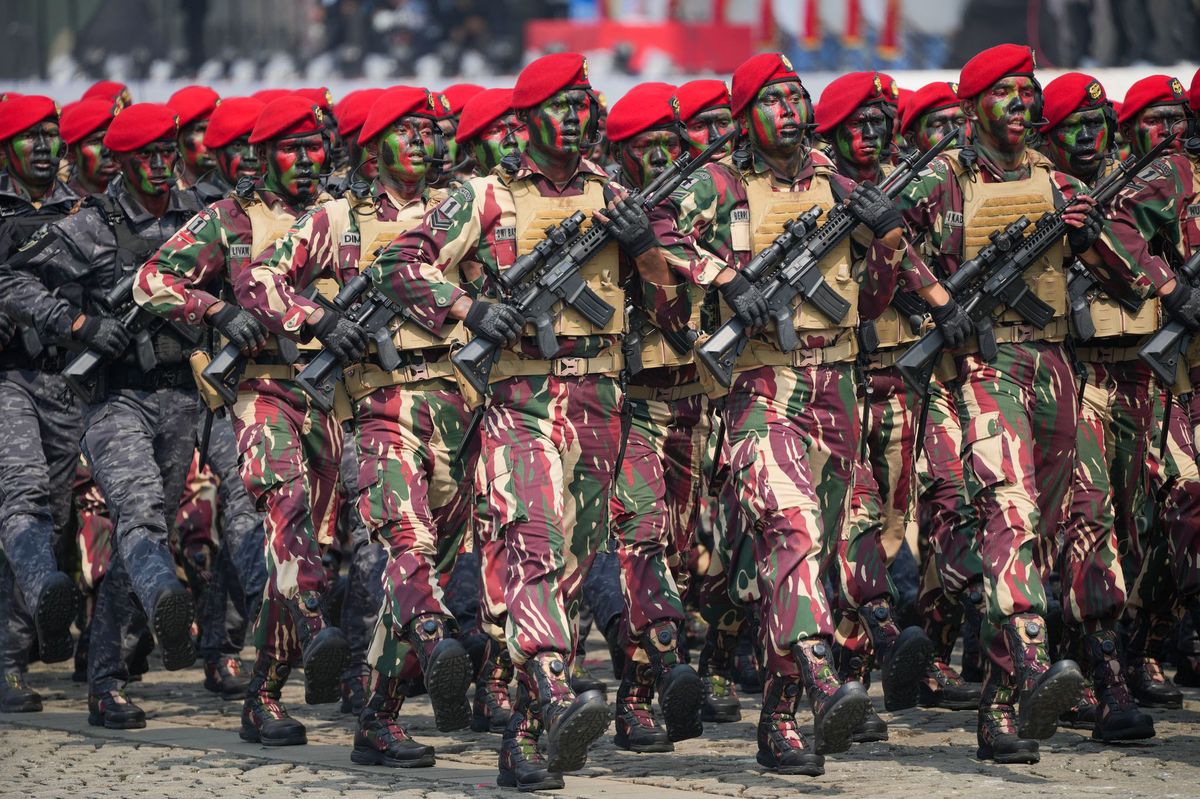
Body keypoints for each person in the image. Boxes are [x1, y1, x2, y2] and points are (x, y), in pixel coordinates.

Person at [656, 53, 954, 775]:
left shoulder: (835, 183)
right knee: (791, 531)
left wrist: (888, 240)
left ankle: (779, 719)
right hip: (760, 386)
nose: (790, 110)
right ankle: (821, 678)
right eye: (773, 99)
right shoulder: (718, 184)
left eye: (797, 97)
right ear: (744, 116)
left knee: (819, 556)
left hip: (837, 385)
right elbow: (654, 227)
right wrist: (724, 277)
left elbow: (874, 300)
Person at [370, 52, 661, 789]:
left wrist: (647, 249)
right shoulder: (484, 196)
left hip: (600, 400)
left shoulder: (615, 194)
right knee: (532, 544)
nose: (576, 117)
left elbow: (668, 307)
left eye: (583, 104)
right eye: (560, 106)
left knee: (572, 569)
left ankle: (524, 737)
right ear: (527, 119)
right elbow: (400, 265)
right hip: (519, 401)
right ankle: (556, 690)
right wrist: (470, 309)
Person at [244, 86, 480, 769]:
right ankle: (436, 644)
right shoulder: (339, 218)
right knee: (406, 546)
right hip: (380, 408)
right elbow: (260, 280)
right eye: (407, 131)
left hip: (455, 405)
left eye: (429, 131)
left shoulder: (459, 207)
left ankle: (378, 717)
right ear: (373, 147)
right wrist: (319, 318)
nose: (423, 142)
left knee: (426, 568)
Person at [893, 44, 1107, 764]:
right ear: (974, 104)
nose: (1021, 103)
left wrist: (1088, 239)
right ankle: (1032, 664)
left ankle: (1001, 705)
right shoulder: (940, 177)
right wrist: (937, 298)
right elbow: (880, 239)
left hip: (1052, 361)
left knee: (1033, 530)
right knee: (1008, 515)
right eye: (1006, 91)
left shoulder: (1057, 180)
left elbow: (1116, 269)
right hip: (982, 364)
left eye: (1028, 90)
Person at [136, 96, 348, 745]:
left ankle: (264, 693)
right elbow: (150, 280)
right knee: (284, 513)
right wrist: (215, 310)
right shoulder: (229, 219)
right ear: (262, 155)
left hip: (328, 396)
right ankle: (315, 626)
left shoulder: (341, 214)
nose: (306, 159)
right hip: (260, 393)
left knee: (306, 545)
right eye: (291, 148)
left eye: (313, 146)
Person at [0, 102, 205, 729]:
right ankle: (28, 648)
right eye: (147, 154)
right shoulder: (91, 223)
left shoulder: (199, 217)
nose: (161, 163)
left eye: (167, 151)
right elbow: (12, 282)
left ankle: (108, 671)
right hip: (94, 394)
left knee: (135, 530)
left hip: (176, 396)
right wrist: (80, 323)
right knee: (44, 504)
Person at [815, 72, 942, 737]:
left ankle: (853, 672)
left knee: (892, 525)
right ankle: (858, 668)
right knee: (851, 526)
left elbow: (926, 266)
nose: (871, 134)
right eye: (857, 125)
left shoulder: (905, 188)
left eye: (879, 122)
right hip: (834, 381)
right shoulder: (817, 190)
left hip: (897, 376)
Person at [1036, 71, 1160, 742]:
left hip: (1135, 372)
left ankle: (1108, 652)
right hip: (1065, 374)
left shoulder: (1129, 192)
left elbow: (1148, 274)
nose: (1089, 136)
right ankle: (1103, 677)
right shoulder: (1031, 190)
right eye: (1073, 127)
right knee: (1087, 522)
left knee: (1136, 520)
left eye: (1098, 124)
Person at [1090, 70, 1200, 717]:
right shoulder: (1174, 173)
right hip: (1168, 373)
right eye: (1158, 119)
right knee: (1175, 507)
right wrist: (1170, 285)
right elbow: (1115, 224)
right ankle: (1143, 638)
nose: (1171, 129)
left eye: (1176, 117)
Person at [604, 83, 708, 754]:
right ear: (621, 153)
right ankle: (658, 679)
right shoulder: (608, 210)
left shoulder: (701, 206)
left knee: (683, 552)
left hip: (692, 399)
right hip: (631, 401)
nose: (667, 157)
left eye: (674, 143)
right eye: (651, 147)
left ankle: (640, 692)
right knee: (641, 538)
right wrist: (641, 246)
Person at [896, 79, 987, 711]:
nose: (953, 135)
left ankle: (937, 647)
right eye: (938, 124)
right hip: (906, 380)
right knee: (940, 505)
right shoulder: (910, 193)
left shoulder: (980, 186)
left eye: (960, 121)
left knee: (965, 508)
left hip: (969, 372)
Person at [0, 95, 86, 714]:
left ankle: (26, 636)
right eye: (28, 137)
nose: (41, 147)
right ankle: (8, 665)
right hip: (8, 377)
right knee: (22, 497)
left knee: (51, 519)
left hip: (66, 383)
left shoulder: (81, 210)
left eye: (50, 135)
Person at [189, 96, 266, 204]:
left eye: (259, 146)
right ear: (212, 151)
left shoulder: (281, 202)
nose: (251, 156)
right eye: (238, 146)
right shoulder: (192, 204)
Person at [59, 99, 119, 197]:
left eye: (113, 139)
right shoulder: (60, 204)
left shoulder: (139, 199)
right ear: (72, 153)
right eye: (95, 142)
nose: (108, 151)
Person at [167, 85, 220, 188]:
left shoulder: (236, 189)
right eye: (198, 130)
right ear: (176, 141)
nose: (210, 139)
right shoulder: (163, 191)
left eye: (215, 129)